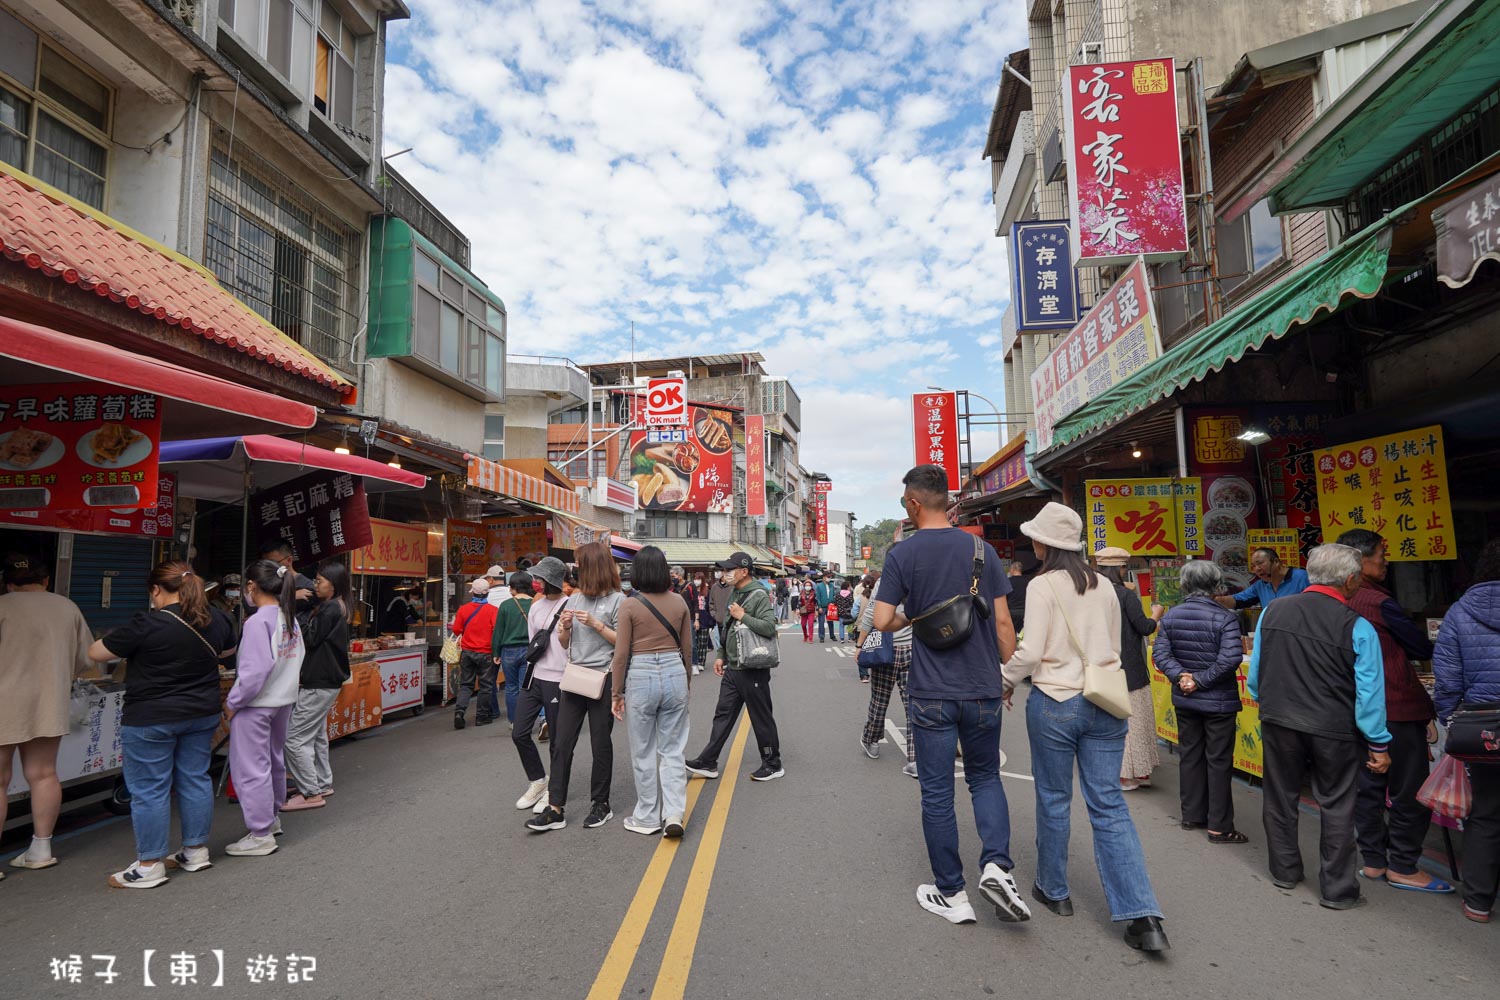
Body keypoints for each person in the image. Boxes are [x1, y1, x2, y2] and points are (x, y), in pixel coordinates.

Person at [1000, 501, 1167, 951]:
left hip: (1056, 700)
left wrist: (1004, 680)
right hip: (1105, 699)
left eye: (1035, 536)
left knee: (1054, 799)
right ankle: (1142, 916)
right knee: (1109, 804)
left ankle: (1054, 892)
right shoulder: (1105, 586)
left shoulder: (1042, 586)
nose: (1031, 541)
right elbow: (1113, 643)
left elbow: (1031, 651)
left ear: (1045, 544)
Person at [875, 466, 1030, 929]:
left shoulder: (902, 554)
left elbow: (882, 619)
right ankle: (998, 868)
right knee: (985, 780)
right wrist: (1003, 675)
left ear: (914, 504)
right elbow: (1005, 628)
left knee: (938, 792)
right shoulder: (982, 550)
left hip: (931, 692)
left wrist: (908, 621)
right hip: (983, 687)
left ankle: (953, 894)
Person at [1247, 543, 1392, 910]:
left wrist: (1272, 704)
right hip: (1334, 727)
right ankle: (1338, 890)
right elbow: (1369, 692)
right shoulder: (1358, 626)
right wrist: (1378, 742)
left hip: (1279, 720)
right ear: (1349, 580)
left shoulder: (1273, 611)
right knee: (1338, 805)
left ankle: (1284, 871)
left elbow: (1256, 675)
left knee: (1280, 796)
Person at [87, 562, 235, 887]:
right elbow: (228, 650)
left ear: (156, 590)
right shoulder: (217, 618)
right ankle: (195, 852)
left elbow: (96, 652)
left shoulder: (148, 623)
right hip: (201, 713)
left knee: (150, 790)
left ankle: (149, 865)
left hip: (152, 718)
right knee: (194, 778)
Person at [1335, 529, 1450, 892]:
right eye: (1380, 554)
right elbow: (1419, 646)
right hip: (1395, 708)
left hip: (1354, 708)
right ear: (1359, 559)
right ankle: (1402, 864)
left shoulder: (1335, 602)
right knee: (1408, 788)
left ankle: (1374, 861)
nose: (1386, 560)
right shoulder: (1377, 602)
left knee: (1368, 788)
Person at [0, 555, 93, 876]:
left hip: (4, 703)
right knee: (43, 774)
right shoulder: (67, 607)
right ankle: (41, 848)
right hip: (49, 701)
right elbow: (86, 658)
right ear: (46, 581)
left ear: (8, 583)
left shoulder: (3, 605)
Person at [528, 542, 623, 833]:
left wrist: (596, 624)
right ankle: (555, 808)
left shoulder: (620, 600)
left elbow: (623, 644)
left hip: (602, 679)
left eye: (580, 565)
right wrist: (565, 629)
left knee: (600, 743)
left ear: (593, 568)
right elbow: (565, 643)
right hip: (573, 678)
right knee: (562, 742)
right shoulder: (575, 600)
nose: (575, 570)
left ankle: (601, 804)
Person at [1153, 560, 1245, 842]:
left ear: (1185, 584)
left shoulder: (1171, 616)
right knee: (1218, 761)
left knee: (1190, 755)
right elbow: (1230, 658)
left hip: (1186, 699)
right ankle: (1219, 825)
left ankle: (1192, 815)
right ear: (1217, 585)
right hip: (1218, 701)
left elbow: (1161, 654)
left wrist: (1183, 677)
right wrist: (1200, 680)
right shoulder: (1226, 617)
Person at [1432, 538, 1500, 923]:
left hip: (1484, 727)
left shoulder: (1460, 612)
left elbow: (1447, 678)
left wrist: (1452, 720)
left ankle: (1478, 902)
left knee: (1486, 813)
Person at [223, 560, 305, 858]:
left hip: (256, 704)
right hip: (282, 700)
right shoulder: (289, 617)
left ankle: (260, 833)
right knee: (273, 761)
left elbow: (255, 672)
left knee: (251, 768)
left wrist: (232, 703)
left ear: (252, 587)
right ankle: (271, 819)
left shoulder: (258, 622)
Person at [610, 546, 694, 837]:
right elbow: (687, 649)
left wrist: (616, 693)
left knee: (643, 751)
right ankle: (673, 814)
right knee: (672, 750)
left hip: (641, 675)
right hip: (674, 672)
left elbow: (621, 655)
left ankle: (647, 817)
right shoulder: (680, 602)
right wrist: (686, 683)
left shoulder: (630, 605)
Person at [685, 551, 785, 782]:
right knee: (723, 714)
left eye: (729, 569)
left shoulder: (758, 594)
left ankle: (773, 762)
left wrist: (743, 616)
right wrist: (720, 655)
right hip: (733, 666)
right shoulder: (735, 592)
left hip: (752, 667)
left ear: (744, 571)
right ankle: (708, 761)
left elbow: (769, 628)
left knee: (761, 717)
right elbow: (727, 628)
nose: (725, 573)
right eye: (724, 569)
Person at [282, 562, 351, 812]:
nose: (315, 584)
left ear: (332, 585)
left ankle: (310, 792)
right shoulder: (336, 605)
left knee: (294, 737)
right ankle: (322, 782)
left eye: (320, 581)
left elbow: (310, 638)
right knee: (317, 734)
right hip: (326, 680)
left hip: (319, 681)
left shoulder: (330, 608)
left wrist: (294, 610)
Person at [1095, 547, 1165, 791]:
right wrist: (1156, 614)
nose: (1125, 571)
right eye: (1124, 567)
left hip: (1103, 668)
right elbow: (1145, 627)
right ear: (1117, 569)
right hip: (1131, 669)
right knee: (1135, 722)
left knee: (1113, 722)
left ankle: (1127, 773)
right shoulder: (1125, 596)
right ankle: (1135, 773)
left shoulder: (1091, 594)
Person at [512, 557, 570, 814]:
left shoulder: (570, 605)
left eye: (540, 578)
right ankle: (538, 780)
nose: (535, 582)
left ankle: (554, 793)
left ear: (551, 581)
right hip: (534, 677)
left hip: (560, 680)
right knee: (520, 732)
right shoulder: (535, 607)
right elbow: (532, 642)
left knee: (558, 741)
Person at [855, 569, 915, 775]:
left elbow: (872, 613)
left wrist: (860, 645)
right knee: (913, 703)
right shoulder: (919, 577)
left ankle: (871, 740)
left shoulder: (886, 581)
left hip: (885, 648)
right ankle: (915, 759)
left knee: (880, 700)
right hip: (913, 649)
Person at [449, 579, 499, 730]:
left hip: (468, 652)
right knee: (485, 686)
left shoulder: (463, 609)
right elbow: (496, 632)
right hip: (486, 653)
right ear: (487, 593)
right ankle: (482, 717)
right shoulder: (493, 610)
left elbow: (456, 630)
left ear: (473, 593)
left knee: (466, 684)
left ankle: (459, 712)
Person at [493, 571, 534, 727]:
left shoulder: (506, 605)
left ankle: (514, 721)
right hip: (529, 650)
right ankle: (526, 720)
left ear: (512, 587)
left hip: (508, 651)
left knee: (510, 687)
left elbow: (499, 631)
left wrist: (496, 652)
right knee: (525, 687)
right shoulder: (535, 603)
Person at [1215, 547, 1309, 611]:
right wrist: (1211, 599)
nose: (1257, 569)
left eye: (1260, 563)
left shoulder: (1302, 577)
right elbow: (1236, 600)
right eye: (1253, 566)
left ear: (1276, 562)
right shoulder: (1260, 585)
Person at [260, 541, 316, 608]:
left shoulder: (307, 586)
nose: (268, 567)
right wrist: (290, 597)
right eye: (266, 564)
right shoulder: (263, 584)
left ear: (289, 560)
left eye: (272, 563)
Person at [683, 571, 715, 675]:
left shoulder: (707, 592)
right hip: (693, 619)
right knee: (694, 642)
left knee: (703, 642)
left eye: (699, 579)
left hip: (705, 620)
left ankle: (701, 662)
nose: (696, 581)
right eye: (695, 578)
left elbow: (710, 607)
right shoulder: (691, 590)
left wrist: (711, 621)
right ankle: (694, 662)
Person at [1006, 549, 1041, 633]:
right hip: (1026, 612)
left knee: (1012, 634)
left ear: (1013, 569)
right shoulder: (1029, 581)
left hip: (1012, 613)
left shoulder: (1008, 582)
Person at [709, 570, 733, 647]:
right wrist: (715, 615)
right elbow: (711, 603)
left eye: (719, 571)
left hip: (730, 620)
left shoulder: (732, 586)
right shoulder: (714, 587)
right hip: (718, 620)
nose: (717, 573)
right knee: (719, 643)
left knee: (729, 643)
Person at [815, 572, 836, 643]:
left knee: (831, 622)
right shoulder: (819, 586)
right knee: (821, 622)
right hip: (822, 606)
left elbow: (834, 595)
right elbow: (818, 597)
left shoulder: (831, 585)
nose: (829, 578)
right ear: (823, 577)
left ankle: (832, 635)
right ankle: (821, 636)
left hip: (830, 606)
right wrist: (819, 606)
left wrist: (833, 603)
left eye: (829, 577)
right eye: (828, 577)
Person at [798, 579, 818, 643]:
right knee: (803, 625)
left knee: (810, 624)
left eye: (809, 585)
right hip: (803, 611)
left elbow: (816, 602)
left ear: (811, 586)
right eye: (806, 585)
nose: (808, 586)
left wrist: (816, 610)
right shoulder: (801, 593)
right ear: (804, 586)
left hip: (811, 611)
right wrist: (798, 609)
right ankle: (805, 635)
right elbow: (799, 602)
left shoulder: (814, 593)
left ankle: (810, 638)